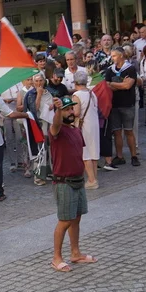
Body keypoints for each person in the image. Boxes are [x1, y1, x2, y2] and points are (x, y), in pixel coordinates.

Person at [47, 94, 95, 272]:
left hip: (77, 180)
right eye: (66, 109)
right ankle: (56, 258)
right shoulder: (56, 131)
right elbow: (56, 124)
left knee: (76, 218)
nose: (70, 112)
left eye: (71, 108)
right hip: (64, 182)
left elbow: (78, 155)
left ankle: (75, 253)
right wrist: (58, 110)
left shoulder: (75, 130)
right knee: (65, 220)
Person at [103, 48, 140, 167]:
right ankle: (119, 156)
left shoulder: (130, 69)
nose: (112, 58)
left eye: (114, 55)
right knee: (117, 132)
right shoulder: (110, 70)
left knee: (129, 131)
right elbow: (107, 85)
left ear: (121, 56)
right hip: (114, 104)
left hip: (127, 104)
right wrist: (121, 84)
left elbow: (128, 86)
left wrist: (113, 84)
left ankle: (134, 156)